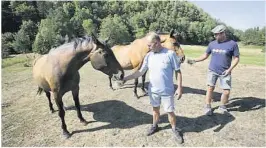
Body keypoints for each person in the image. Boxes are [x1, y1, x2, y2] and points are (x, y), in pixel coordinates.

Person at [123, 32, 183, 144]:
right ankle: (155, 126)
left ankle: (174, 129)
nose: (148, 47)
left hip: (167, 90)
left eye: (149, 45)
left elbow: (178, 72)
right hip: (153, 90)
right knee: (155, 110)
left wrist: (179, 88)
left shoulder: (170, 54)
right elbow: (140, 72)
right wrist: (126, 78)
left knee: (170, 111)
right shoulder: (149, 56)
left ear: (156, 43)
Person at [187, 24, 240, 116]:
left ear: (223, 33)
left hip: (225, 72)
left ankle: (222, 106)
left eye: (216, 34)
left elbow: (236, 58)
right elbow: (205, 55)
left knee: (226, 91)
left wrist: (230, 69)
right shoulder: (212, 44)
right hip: (212, 70)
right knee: (210, 88)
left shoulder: (232, 44)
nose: (215, 36)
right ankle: (208, 106)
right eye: (214, 34)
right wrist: (194, 60)